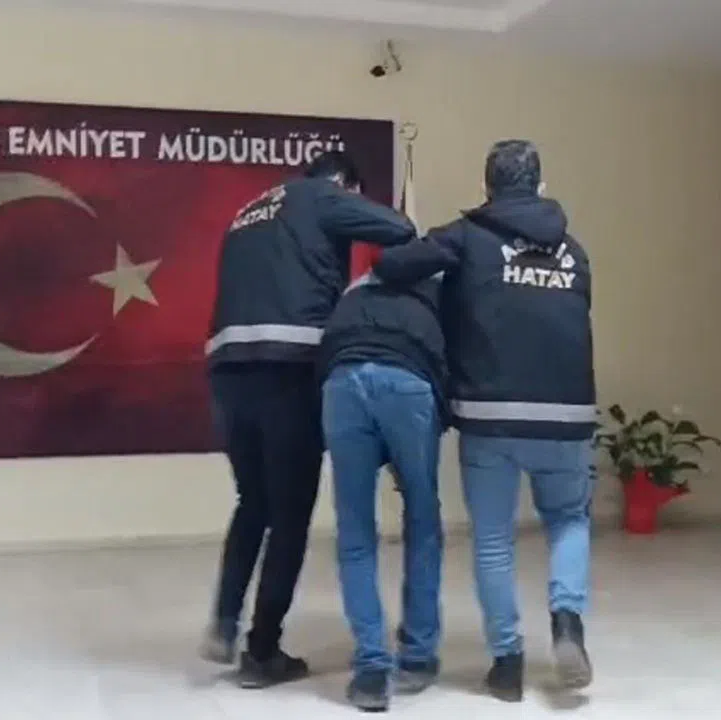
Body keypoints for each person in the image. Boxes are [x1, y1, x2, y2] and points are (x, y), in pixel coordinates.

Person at [373, 140, 596, 702]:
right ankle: (567, 622)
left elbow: (392, 265)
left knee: (494, 540)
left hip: (490, 414)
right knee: (568, 519)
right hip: (568, 412)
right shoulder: (574, 251)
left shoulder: (467, 236)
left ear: (486, 189)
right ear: (541, 187)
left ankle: (507, 663)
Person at [202, 151, 417, 689]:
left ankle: (224, 620)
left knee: (253, 501)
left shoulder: (250, 210)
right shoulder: (321, 196)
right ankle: (261, 651)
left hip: (227, 369)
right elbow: (399, 228)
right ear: (345, 185)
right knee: (290, 514)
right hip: (289, 368)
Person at [317, 266, 447, 712]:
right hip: (407, 383)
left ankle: (371, 669)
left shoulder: (359, 285)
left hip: (341, 383)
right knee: (423, 520)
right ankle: (417, 656)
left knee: (354, 530)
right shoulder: (440, 286)